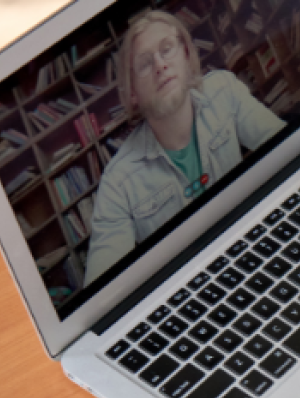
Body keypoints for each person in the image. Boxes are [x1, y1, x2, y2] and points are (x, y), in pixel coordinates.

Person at [84, 10, 285, 285]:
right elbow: (102, 290)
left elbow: (288, 152)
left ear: (187, 56)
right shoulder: (118, 184)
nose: (160, 65)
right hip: (191, 286)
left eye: (167, 49)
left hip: (256, 244)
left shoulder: (224, 90)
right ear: (132, 93)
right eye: (144, 64)